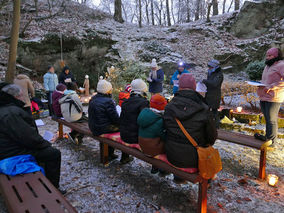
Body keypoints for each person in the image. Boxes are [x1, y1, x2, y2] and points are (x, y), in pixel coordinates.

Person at [0, 84, 63, 192]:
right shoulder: (11, 113)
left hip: (8, 149)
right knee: (53, 154)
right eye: (21, 95)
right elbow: (28, 138)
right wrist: (45, 143)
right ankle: (52, 188)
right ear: (16, 97)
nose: (24, 98)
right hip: (11, 153)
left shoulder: (6, 109)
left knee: (46, 151)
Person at [164, 74, 217, 183]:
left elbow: (166, 129)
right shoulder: (204, 108)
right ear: (194, 87)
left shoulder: (169, 106)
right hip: (194, 159)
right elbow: (212, 137)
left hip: (171, 154)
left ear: (179, 87)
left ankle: (178, 177)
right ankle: (207, 182)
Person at [255, 47, 284, 147]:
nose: (268, 57)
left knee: (272, 120)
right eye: (267, 55)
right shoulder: (267, 66)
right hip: (264, 96)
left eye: (270, 55)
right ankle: (268, 138)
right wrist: (260, 84)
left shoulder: (281, 65)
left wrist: (272, 87)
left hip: (274, 97)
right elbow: (267, 81)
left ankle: (272, 143)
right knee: (267, 119)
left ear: (276, 56)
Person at [88, 79, 120, 161]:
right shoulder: (108, 101)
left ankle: (109, 153)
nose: (111, 90)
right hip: (102, 128)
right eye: (110, 89)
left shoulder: (93, 99)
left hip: (93, 126)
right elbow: (115, 119)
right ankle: (110, 155)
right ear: (107, 91)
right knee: (123, 127)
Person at [120, 79, 149, 164]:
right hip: (135, 138)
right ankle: (156, 167)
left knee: (128, 125)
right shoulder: (143, 103)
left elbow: (122, 119)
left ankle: (124, 157)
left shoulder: (125, 101)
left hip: (123, 135)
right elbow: (144, 122)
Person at [137, 94, 167, 174]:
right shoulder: (160, 120)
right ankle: (163, 170)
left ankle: (155, 168)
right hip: (152, 150)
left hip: (142, 146)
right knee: (168, 143)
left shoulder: (144, 113)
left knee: (154, 137)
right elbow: (164, 137)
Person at [202, 59, 224, 128]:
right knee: (207, 110)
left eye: (211, 67)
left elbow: (214, 84)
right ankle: (208, 126)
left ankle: (216, 127)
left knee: (214, 112)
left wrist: (205, 81)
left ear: (215, 67)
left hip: (215, 96)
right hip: (209, 95)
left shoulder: (219, 74)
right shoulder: (211, 73)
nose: (209, 68)